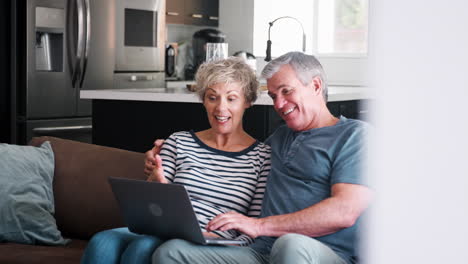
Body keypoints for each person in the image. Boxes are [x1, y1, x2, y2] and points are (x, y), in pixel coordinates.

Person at [146, 51, 372, 264]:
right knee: (171, 253)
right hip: (260, 252)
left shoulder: (355, 136)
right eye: (274, 96)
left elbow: (345, 212)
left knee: (290, 244)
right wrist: (162, 154)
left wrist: (260, 225)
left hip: (321, 253)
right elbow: (238, 158)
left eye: (286, 91)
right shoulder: (280, 137)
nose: (279, 105)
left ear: (315, 85)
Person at [81, 57, 271, 264]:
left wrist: (212, 238)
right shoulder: (179, 141)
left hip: (212, 241)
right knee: (102, 241)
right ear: (203, 100)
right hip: (164, 230)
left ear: (248, 101)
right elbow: (151, 208)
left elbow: (252, 229)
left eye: (231, 98)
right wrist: (156, 183)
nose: (220, 108)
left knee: (142, 248)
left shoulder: (262, 157)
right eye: (212, 97)